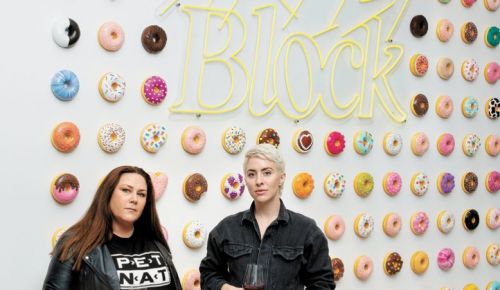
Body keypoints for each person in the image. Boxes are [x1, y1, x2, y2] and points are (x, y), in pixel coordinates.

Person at [200, 144, 335, 290]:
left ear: (282, 178)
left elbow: (323, 284)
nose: (259, 181)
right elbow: (208, 275)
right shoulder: (226, 228)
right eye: (252, 174)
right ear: (246, 180)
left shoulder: (307, 231)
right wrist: (226, 289)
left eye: (267, 173)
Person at [43, 165, 182, 290]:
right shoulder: (75, 243)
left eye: (141, 194)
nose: (134, 199)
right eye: (126, 190)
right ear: (108, 194)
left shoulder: (157, 245)